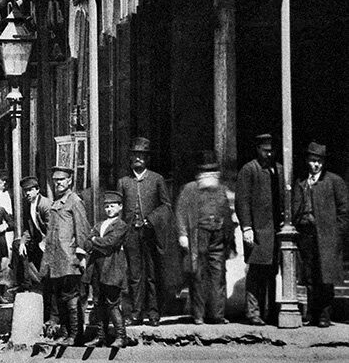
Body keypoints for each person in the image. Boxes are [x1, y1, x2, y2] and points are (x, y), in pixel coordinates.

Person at [117, 137, 174, 327]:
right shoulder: (124, 182)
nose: (138, 158)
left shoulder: (157, 179)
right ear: (130, 158)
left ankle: (154, 313)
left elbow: (166, 206)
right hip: (131, 234)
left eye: (142, 155)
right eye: (135, 155)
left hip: (151, 233)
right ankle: (135, 313)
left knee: (152, 274)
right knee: (134, 275)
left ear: (147, 159)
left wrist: (152, 219)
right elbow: (118, 210)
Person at [291, 141, 347, 327]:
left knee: (325, 276)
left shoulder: (333, 181)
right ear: (307, 160)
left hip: (326, 236)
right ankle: (312, 314)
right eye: (313, 160)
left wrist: (336, 233)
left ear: (323, 163)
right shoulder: (301, 182)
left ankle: (324, 315)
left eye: (319, 162)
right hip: (306, 234)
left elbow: (344, 211)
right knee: (309, 276)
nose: (315, 165)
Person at [176, 152, 233, 325]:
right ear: (200, 175)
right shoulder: (190, 189)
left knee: (218, 274)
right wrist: (182, 234)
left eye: (213, 172)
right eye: (206, 172)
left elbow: (228, 215)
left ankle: (217, 315)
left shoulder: (222, 190)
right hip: (198, 235)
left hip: (218, 236)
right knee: (198, 275)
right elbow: (180, 212)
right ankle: (198, 315)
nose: (210, 176)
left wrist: (231, 242)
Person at [236, 133, 284, 326]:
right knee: (256, 273)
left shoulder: (279, 170)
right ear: (258, 150)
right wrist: (247, 227)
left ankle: (272, 312)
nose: (269, 154)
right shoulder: (249, 170)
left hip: (275, 231)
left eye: (272, 150)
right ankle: (253, 312)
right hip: (256, 231)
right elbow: (242, 201)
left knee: (272, 273)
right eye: (265, 151)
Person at [42, 166, 90, 345]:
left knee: (71, 298)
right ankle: (64, 332)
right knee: (60, 298)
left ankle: (75, 335)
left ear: (69, 181)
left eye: (61, 180)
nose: (58, 184)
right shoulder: (56, 203)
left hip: (69, 257)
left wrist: (81, 254)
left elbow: (82, 230)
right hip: (55, 258)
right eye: (55, 181)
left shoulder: (74, 201)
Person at [85, 191, 133, 346]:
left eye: (112, 206)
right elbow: (86, 242)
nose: (109, 209)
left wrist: (94, 241)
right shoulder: (99, 224)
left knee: (112, 302)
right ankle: (100, 336)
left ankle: (121, 336)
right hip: (97, 268)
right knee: (98, 303)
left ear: (120, 207)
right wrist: (95, 241)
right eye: (106, 206)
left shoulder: (121, 225)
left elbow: (111, 243)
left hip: (112, 267)